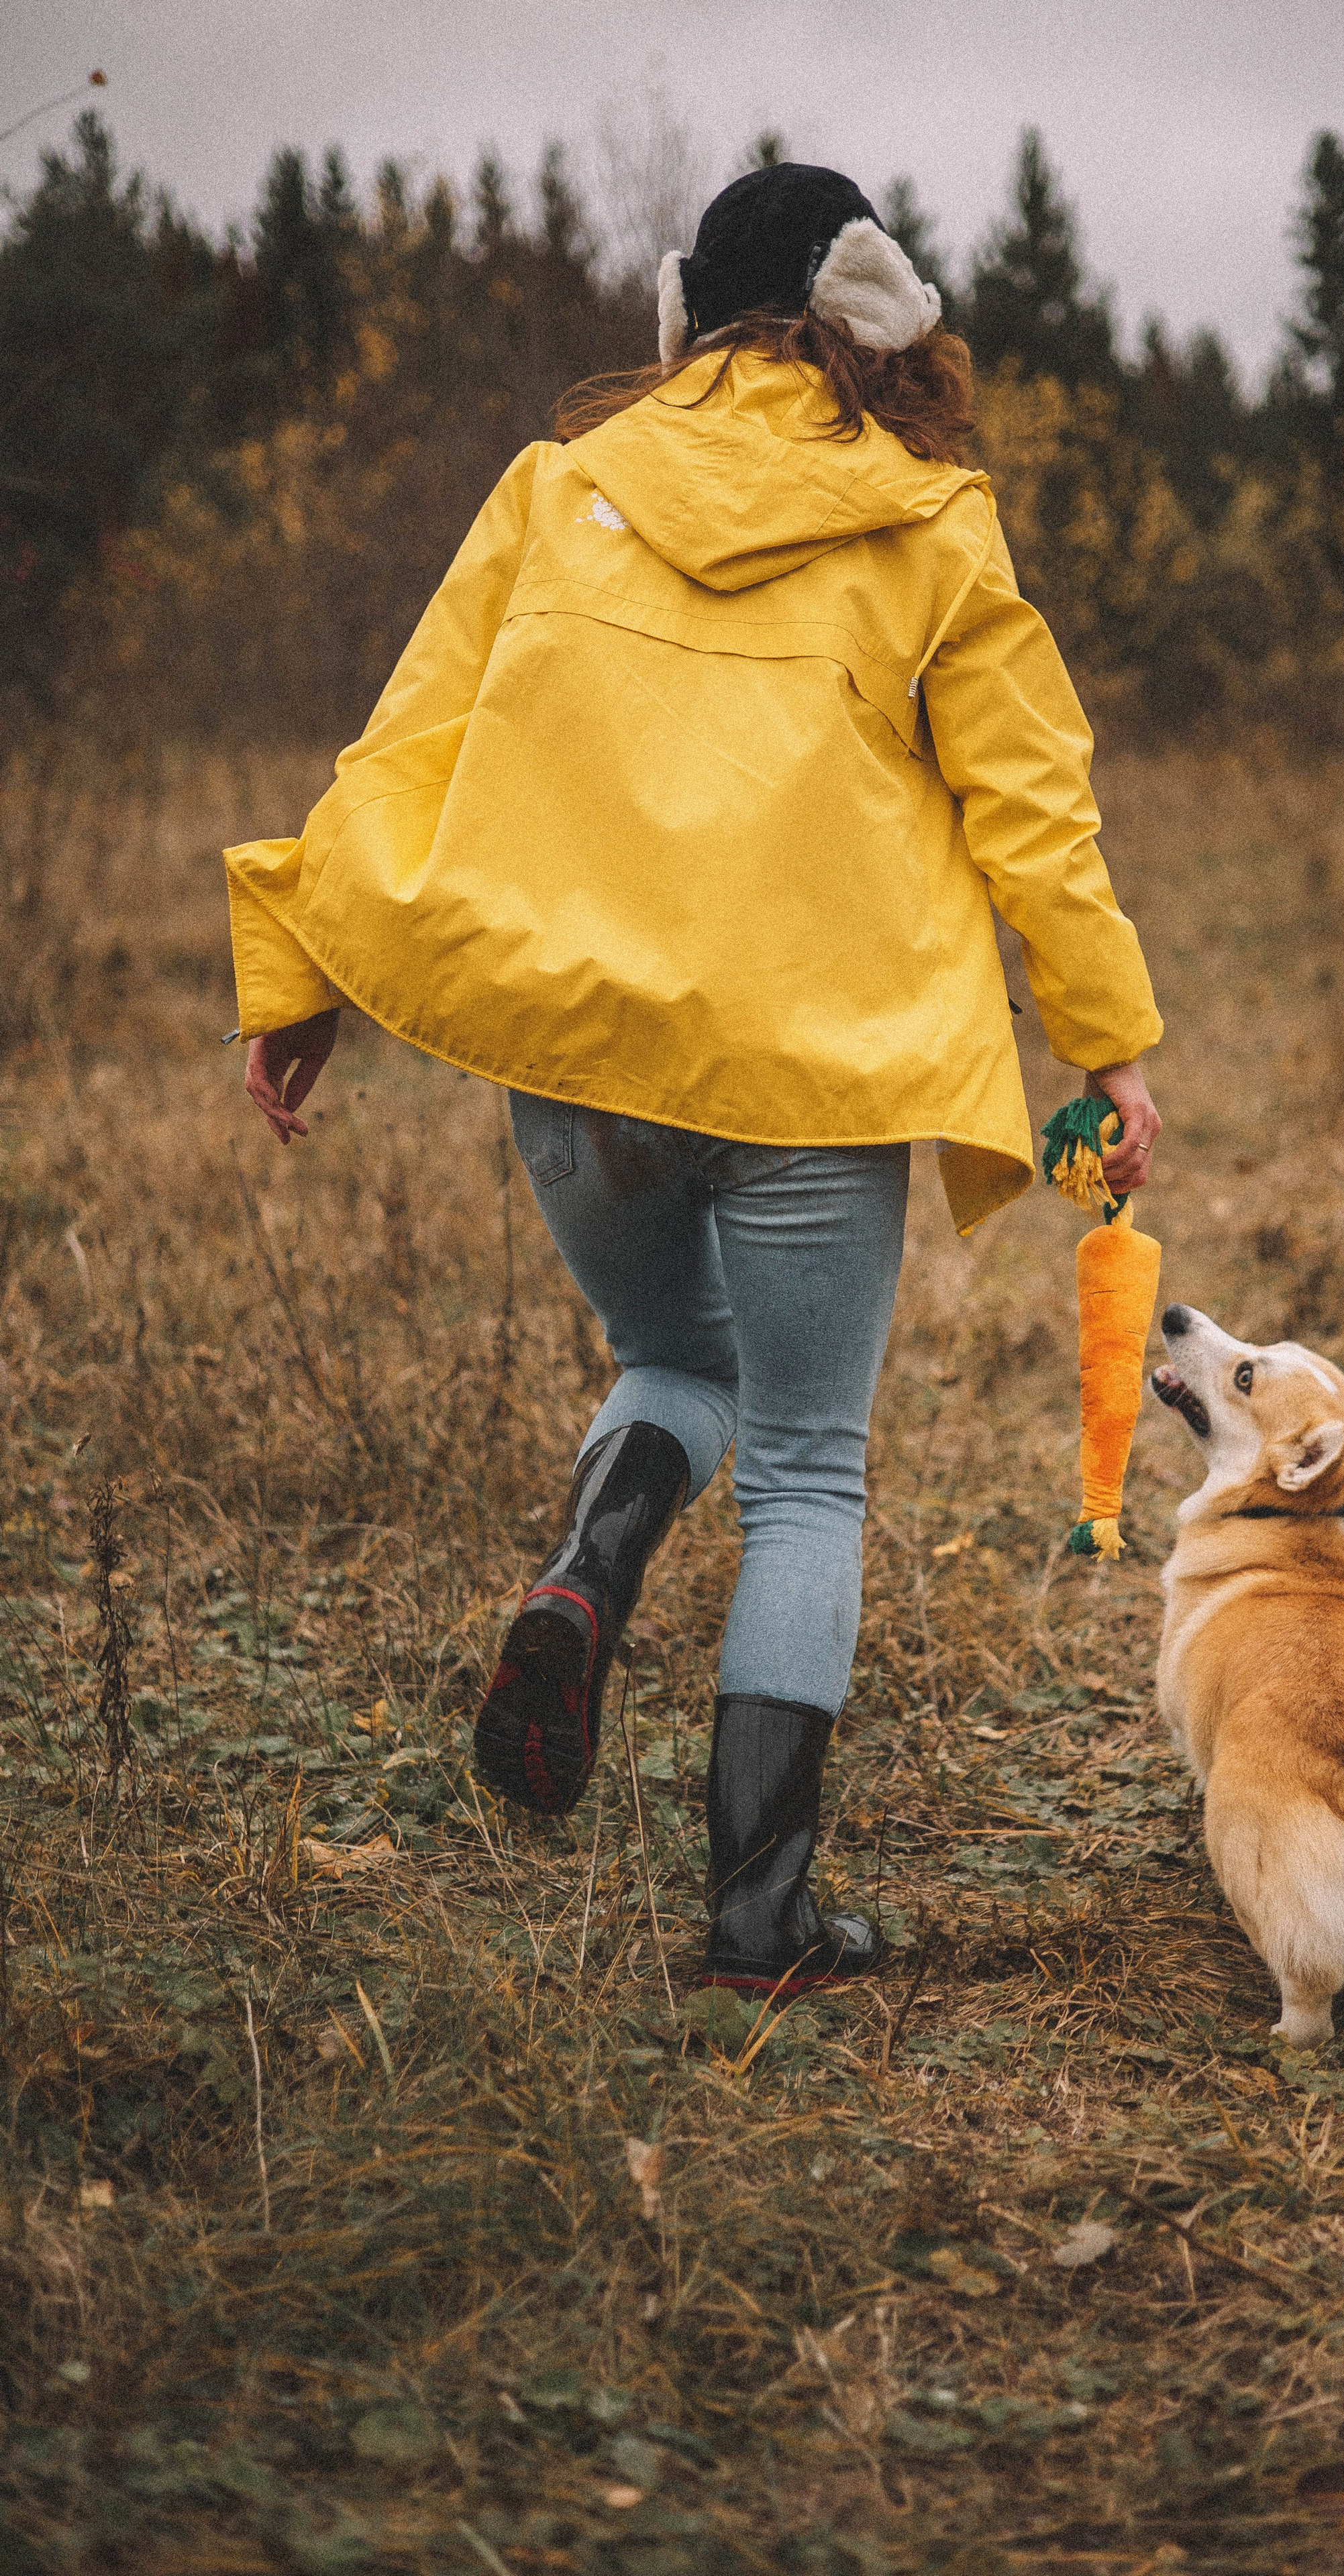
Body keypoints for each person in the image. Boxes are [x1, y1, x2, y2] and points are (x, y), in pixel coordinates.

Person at [228, 162, 1163, 1995]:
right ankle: (758, 1922)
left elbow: (407, 740)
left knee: (671, 1360)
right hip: (813, 1076)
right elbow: (1033, 810)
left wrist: (305, 975)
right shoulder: (932, 522)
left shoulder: (555, 491)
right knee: (809, 1470)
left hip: (579, 1062)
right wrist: (1106, 1044)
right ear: (879, 318)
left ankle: (586, 1572)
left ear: (682, 316)